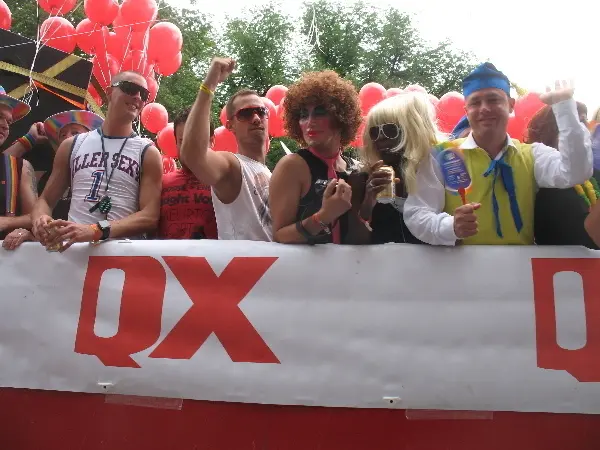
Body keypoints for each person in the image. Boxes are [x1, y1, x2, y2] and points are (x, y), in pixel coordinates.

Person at [404, 63, 592, 246]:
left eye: (493, 99)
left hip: (518, 273)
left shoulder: (532, 154)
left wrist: (565, 109)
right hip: (459, 273)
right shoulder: (441, 155)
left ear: (510, 105)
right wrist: (450, 226)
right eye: (475, 102)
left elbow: (575, 172)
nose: (484, 108)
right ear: (466, 111)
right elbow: (417, 213)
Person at [31, 71, 163, 251]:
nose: (138, 97)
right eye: (130, 88)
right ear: (109, 92)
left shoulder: (147, 152)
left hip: (122, 256)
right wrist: (41, 219)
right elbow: (45, 199)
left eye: (144, 94)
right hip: (74, 253)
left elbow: (150, 216)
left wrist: (96, 230)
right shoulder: (72, 145)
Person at [179, 57, 272, 241]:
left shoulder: (271, 174)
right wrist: (210, 84)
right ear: (230, 126)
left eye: (261, 112)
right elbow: (193, 155)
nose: (255, 118)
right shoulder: (233, 166)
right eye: (245, 114)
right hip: (245, 269)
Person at [269, 70, 363, 245]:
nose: (310, 121)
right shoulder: (292, 166)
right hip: (306, 271)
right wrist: (324, 216)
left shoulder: (355, 168)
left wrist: (370, 202)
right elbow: (279, 236)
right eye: (303, 115)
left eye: (320, 112)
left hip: (352, 270)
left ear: (341, 117)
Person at [357, 93, 442, 244]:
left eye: (390, 130)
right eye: (374, 132)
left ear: (415, 130)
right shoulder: (365, 178)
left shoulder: (442, 172)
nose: (380, 138)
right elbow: (355, 243)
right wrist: (368, 203)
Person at [526, 104, 599, 248]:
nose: (582, 130)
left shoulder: (592, 175)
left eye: (584, 122)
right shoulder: (544, 184)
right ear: (549, 131)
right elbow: (584, 239)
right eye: (573, 123)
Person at [156, 108, 218, 239]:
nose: (190, 149)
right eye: (183, 141)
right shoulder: (160, 184)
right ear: (176, 143)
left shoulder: (227, 184)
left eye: (197, 141)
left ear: (212, 140)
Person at [0, 85, 38, 251]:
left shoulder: (19, 167)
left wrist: (9, 223)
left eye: (8, 121)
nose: (5, 126)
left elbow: (37, 218)